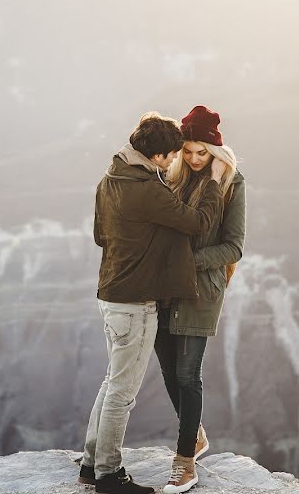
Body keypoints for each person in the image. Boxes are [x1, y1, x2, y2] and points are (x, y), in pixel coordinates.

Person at [79, 111, 227, 494]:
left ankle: (90, 464)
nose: (179, 161)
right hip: (136, 302)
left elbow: (100, 235)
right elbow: (197, 224)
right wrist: (212, 184)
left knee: (111, 382)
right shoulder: (147, 188)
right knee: (123, 394)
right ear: (160, 156)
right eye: (175, 155)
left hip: (110, 295)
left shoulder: (110, 178)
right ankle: (109, 476)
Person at [156, 105, 246, 494]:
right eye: (188, 150)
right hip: (163, 291)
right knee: (166, 367)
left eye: (202, 152)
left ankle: (185, 463)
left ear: (216, 152)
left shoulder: (231, 184)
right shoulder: (172, 178)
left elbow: (234, 247)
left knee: (187, 374)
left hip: (201, 290)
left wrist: (188, 262)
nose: (194, 159)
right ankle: (196, 435)